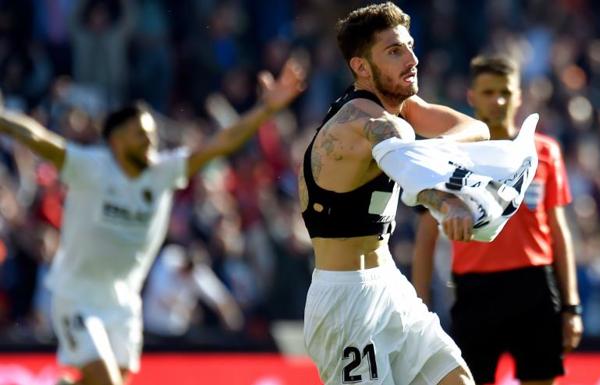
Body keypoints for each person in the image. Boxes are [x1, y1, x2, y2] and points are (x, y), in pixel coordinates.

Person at [0, 59, 305, 385]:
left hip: (125, 301)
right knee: (106, 381)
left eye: (151, 133)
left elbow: (222, 142)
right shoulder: (90, 166)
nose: (150, 141)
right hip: (77, 294)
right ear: (115, 139)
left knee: (106, 381)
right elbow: (36, 137)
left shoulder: (163, 171)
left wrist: (265, 109)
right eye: (139, 134)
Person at [299, 3, 492, 385]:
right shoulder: (363, 122)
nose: (412, 59)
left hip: (389, 285)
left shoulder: (402, 108)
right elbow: (406, 169)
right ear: (361, 67)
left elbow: (475, 128)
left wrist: (431, 150)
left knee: (459, 381)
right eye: (394, 51)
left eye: (410, 46)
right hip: (345, 302)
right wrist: (446, 203)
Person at [412, 55, 583, 385]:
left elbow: (558, 232)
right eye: (488, 92)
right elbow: (426, 238)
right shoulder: (450, 154)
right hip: (475, 290)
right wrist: (421, 311)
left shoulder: (544, 151)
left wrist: (571, 306)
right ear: (471, 97)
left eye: (505, 91)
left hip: (534, 285)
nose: (498, 100)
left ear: (519, 95)